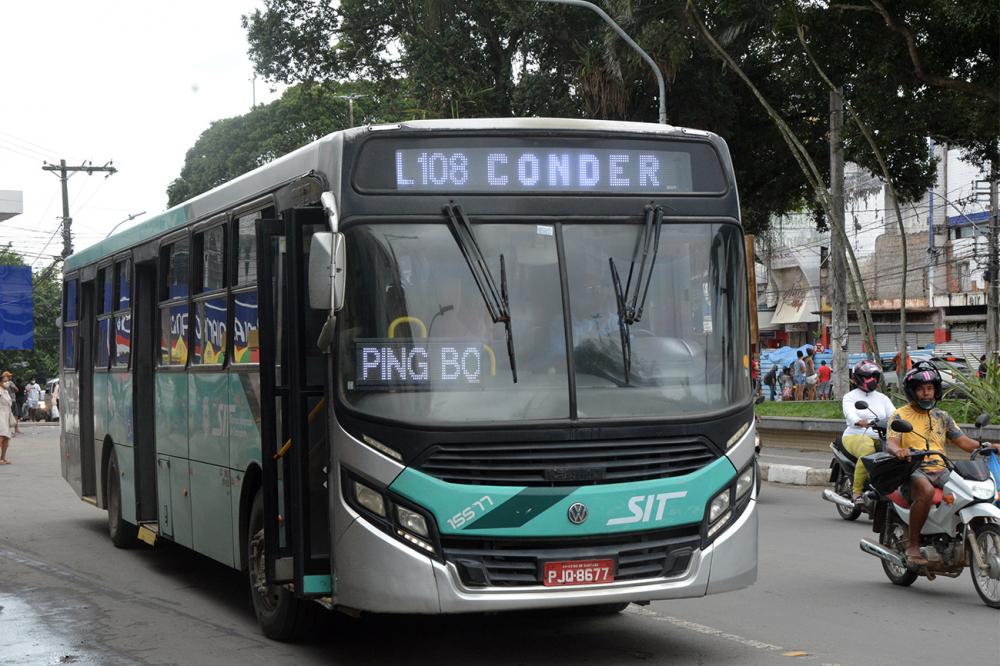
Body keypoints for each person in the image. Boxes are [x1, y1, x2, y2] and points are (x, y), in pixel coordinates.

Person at [886, 362, 1000, 566]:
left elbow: (963, 442)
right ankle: (913, 545)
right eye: (920, 389)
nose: (926, 394)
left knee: (969, 490)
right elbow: (891, 443)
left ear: (936, 390)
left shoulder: (942, 416)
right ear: (912, 392)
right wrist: (900, 451)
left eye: (929, 389)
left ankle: (954, 534)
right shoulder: (899, 415)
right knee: (926, 492)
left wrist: (988, 446)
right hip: (913, 469)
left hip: (942, 468)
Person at [841, 360, 896, 502]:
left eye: (874, 376)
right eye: (867, 377)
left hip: (881, 435)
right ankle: (857, 492)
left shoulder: (882, 398)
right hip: (856, 434)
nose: (871, 380)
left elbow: (894, 415)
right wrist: (860, 421)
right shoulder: (850, 397)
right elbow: (850, 414)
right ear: (858, 378)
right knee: (868, 451)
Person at [0, 371, 14, 464]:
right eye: (5, 380)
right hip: (0, 414)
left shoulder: (5, 391)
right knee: (1, 435)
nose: (7, 382)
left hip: (7, 415)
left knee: (7, 437)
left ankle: (3, 458)